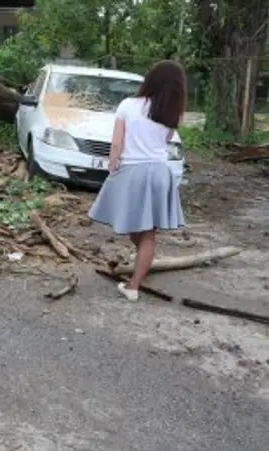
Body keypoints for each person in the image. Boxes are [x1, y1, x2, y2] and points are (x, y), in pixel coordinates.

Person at [88, 60, 187, 302]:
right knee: (147, 234)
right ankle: (141, 267)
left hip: (133, 172)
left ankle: (133, 285)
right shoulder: (173, 113)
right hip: (161, 174)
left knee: (139, 230)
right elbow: (166, 139)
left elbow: (117, 144)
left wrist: (112, 167)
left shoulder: (127, 106)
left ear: (150, 79)